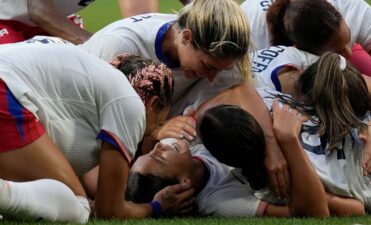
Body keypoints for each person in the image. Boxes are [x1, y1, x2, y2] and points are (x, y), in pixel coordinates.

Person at [81, 0, 290, 198]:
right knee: (105, 185)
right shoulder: (121, 46)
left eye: (221, 69)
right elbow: (95, 127)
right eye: (207, 66)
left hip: (144, 125)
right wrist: (155, 131)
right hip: (84, 128)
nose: (211, 78)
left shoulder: (218, 51)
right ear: (187, 37)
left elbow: (241, 89)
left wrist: (272, 149)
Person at [0, 36, 192, 222]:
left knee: (34, 198)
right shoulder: (131, 104)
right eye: (158, 123)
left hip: (8, 84)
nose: (150, 133)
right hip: (6, 89)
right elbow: (108, 211)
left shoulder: (88, 81)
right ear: (153, 103)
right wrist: (157, 206)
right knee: (78, 207)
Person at [196, 52, 371, 215]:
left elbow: (240, 91)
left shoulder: (272, 180)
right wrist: (286, 141)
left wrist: (274, 143)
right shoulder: (276, 179)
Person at [125, 108, 330, 218]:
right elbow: (312, 213)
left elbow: (239, 90)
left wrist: (271, 145)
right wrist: (287, 141)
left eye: (152, 151)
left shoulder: (179, 140)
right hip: (324, 160)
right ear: (183, 184)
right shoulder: (220, 203)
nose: (159, 147)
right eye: (158, 157)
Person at [241, 0, 371, 78]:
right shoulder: (247, 29)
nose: (348, 54)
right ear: (298, 48)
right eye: (338, 51)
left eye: (348, 38)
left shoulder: (349, 6)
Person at [0, 0, 95, 44]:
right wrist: (94, 43)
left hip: (56, 17)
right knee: (15, 69)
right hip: (6, 21)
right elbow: (38, 11)